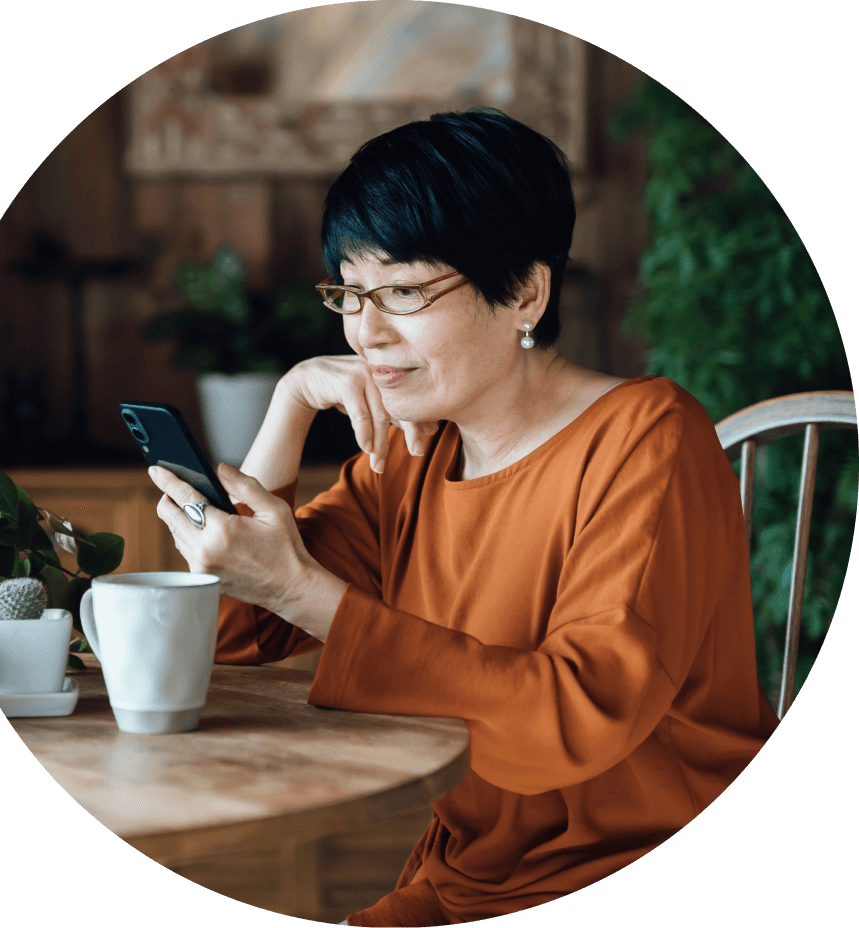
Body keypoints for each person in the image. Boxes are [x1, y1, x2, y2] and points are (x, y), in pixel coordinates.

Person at [149, 108, 779, 926]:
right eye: (349, 290)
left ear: (524, 291)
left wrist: (306, 594)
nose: (365, 332)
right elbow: (231, 626)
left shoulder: (648, 439)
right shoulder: (415, 453)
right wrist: (292, 402)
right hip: (467, 880)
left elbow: (576, 715)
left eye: (404, 291)